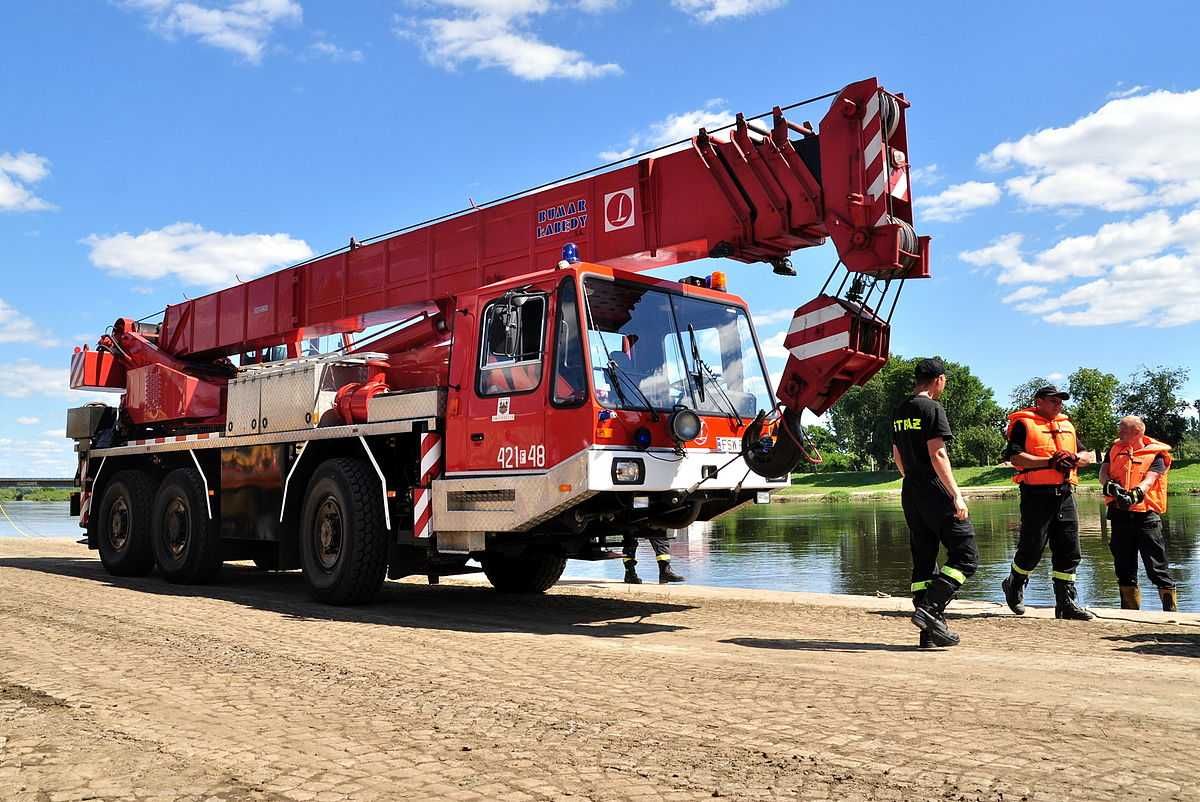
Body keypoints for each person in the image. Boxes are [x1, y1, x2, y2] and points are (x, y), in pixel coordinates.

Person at [891, 357, 979, 648]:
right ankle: (930, 610)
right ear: (938, 379)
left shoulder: (901, 410)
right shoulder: (932, 408)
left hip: (911, 490)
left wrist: (913, 480)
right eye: (945, 380)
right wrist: (955, 493)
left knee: (924, 560)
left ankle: (928, 635)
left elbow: (897, 456)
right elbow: (937, 454)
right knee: (966, 556)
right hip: (934, 488)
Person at [1001, 385, 1094, 620]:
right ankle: (1014, 583)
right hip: (1036, 495)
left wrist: (1074, 458)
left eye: (1061, 401)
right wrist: (1049, 462)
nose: (1059, 404)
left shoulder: (1066, 426)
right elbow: (1015, 456)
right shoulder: (1024, 424)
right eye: (1054, 400)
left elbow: (1086, 456)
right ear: (1039, 401)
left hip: (1064, 494)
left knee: (1069, 549)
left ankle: (1065, 603)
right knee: (1032, 548)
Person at [1100, 415, 1177, 612]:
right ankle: (1129, 613)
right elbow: (1104, 471)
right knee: (1124, 568)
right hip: (1119, 516)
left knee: (1157, 567)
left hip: (1146, 517)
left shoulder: (1157, 454)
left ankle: (1170, 612)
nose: (1119, 433)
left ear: (1137, 432)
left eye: (1123, 430)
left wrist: (1136, 494)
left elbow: (1151, 479)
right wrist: (1109, 486)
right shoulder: (1114, 448)